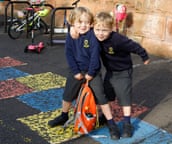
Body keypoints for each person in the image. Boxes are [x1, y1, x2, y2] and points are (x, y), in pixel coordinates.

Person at [48, 7, 120, 140]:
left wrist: (91, 73)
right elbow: (69, 54)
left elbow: (94, 56)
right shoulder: (71, 35)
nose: (83, 25)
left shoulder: (93, 35)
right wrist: (75, 71)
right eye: (79, 22)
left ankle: (110, 121)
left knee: (101, 97)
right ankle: (64, 115)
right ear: (73, 23)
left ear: (91, 23)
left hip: (92, 71)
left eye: (86, 22)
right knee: (68, 95)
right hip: (77, 71)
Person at [93, 11, 150, 138]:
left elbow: (134, 46)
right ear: (93, 27)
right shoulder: (94, 37)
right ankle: (108, 117)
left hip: (123, 72)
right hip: (110, 72)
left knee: (124, 97)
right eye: (97, 29)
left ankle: (127, 123)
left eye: (104, 30)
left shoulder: (118, 39)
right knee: (107, 95)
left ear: (111, 29)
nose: (100, 33)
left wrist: (144, 56)